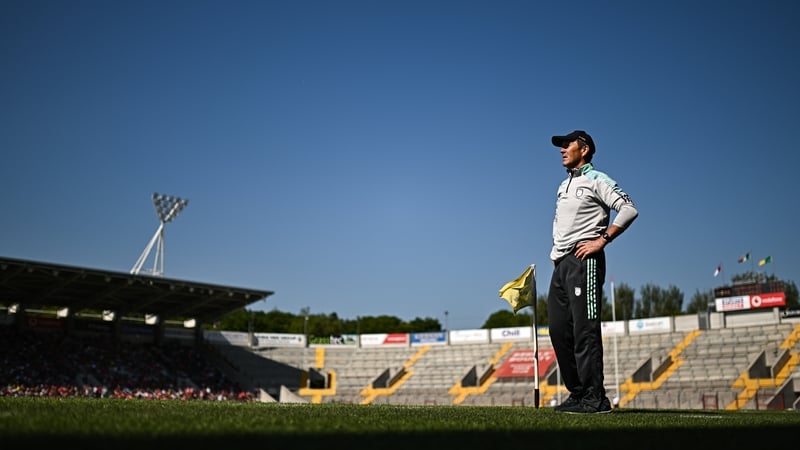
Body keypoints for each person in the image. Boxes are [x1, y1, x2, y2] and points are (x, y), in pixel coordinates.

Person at [546, 130, 638, 414]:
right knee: (559, 330)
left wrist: (602, 240)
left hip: (585, 260)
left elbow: (628, 209)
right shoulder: (563, 185)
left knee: (584, 330)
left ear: (583, 149)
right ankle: (578, 393)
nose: (562, 150)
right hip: (561, 263)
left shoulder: (598, 180)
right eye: (560, 146)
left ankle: (595, 398)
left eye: (567, 145)